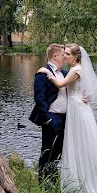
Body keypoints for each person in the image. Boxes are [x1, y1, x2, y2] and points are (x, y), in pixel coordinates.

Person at [37, 44, 97, 193]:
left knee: (82, 143)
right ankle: (74, 180)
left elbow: (61, 84)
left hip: (77, 111)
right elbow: (83, 86)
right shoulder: (74, 70)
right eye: (63, 53)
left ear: (75, 57)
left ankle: (85, 183)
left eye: (67, 54)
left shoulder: (76, 70)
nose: (65, 56)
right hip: (74, 110)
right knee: (75, 145)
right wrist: (86, 94)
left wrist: (47, 71)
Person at [28, 43, 68, 183]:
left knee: (58, 152)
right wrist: (47, 120)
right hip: (52, 118)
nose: (65, 58)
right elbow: (39, 98)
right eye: (63, 55)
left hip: (65, 119)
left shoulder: (64, 73)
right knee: (47, 152)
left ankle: (53, 181)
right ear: (55, 56)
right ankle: (44, 185)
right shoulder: (42, 73)